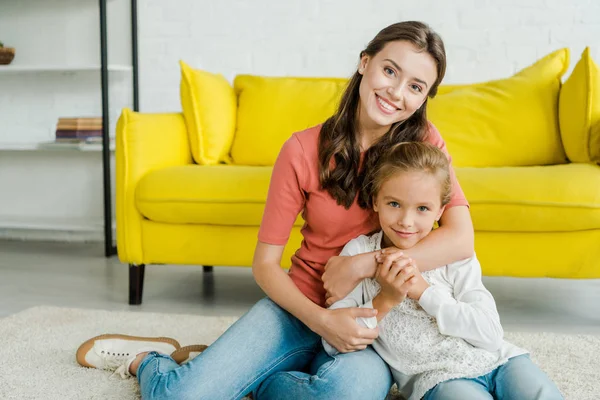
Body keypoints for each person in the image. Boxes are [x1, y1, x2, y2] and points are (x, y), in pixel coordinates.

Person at [76, 21, 475, 399]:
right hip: (300, 305)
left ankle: (253, 379)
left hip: (371, 318)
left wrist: (362, 264)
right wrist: (321, 322)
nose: (396, 92)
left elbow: (461, 238)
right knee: (180, 394)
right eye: (390, 71)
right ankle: (149, 361)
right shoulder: (301, 149)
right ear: (365, 62)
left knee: (351, 392)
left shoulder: (424, 145)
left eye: (415, 86)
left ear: (424, 98)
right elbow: (265, 265)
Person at [322, 141, 563, 400]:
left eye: (422, 208)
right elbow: (334, 341)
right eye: (394, 204)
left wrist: (424, 293)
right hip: (438, 378)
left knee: (542, 394)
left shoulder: (451, 254)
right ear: (375, 200)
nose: (406, 221)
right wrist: (387, 299)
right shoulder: (358, 252)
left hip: (500, 362)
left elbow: (491, 335)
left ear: (440, 210)